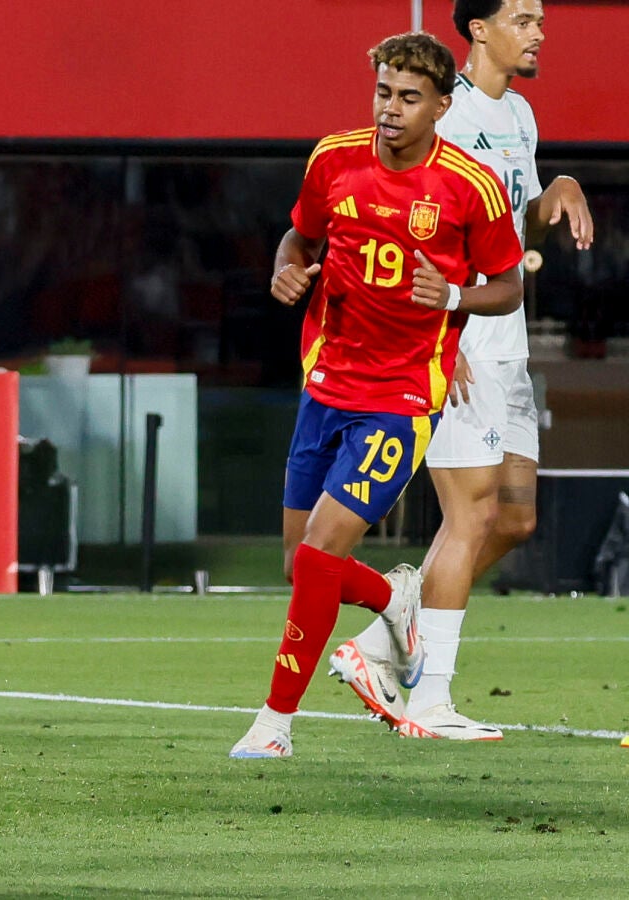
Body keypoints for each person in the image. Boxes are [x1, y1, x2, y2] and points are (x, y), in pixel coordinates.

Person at [230, 31, 524, 759]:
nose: (390, 109)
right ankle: (395, 599)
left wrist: (451, 295)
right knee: (300, 563)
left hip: (402, 396)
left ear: (441, 107)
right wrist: (286, 269)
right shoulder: (333, 159)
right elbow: (299, 239)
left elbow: (509, 287)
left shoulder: (470, 185)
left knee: (321, 552)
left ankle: (274, 725)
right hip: (326, 381)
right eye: (384, 93)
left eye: (409, 97)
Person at [331, 0, 594, 742]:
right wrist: (439, 339)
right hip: (457, 342)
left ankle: (381, 638)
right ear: (479, 29)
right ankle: (429, 701)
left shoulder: (520, 116)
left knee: (513, 519)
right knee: (469, 515)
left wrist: (557, 191)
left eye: (539, 19)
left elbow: (511, 222)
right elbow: (400, 221)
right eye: (523, 18)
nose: (539, 32)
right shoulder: (443, 117)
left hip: (507, 343)